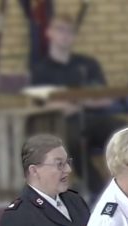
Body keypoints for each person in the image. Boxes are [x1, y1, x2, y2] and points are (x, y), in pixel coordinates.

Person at [29, 14, 121, 194]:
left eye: (69, 31)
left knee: (124, 132)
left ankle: (126, 185)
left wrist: (75, 102)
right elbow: (40, 106)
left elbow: (105, 98)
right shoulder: (41, 70)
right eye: (60, 30)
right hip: (65, 124)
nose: (65, 35)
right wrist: (81, 101)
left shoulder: (87, 64)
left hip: (95, 119)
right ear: (49, 33)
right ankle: (99, 192)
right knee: (71, 143)